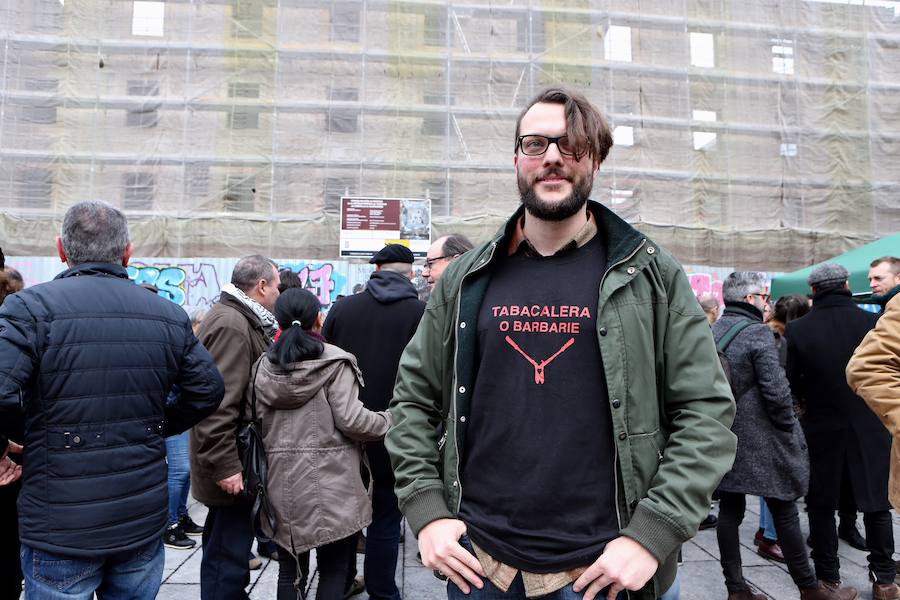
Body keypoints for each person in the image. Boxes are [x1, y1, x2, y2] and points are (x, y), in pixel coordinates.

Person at [385, 86, 738, 600]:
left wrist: (652, 535)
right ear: (517, 159)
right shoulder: (465, 279)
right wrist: (427, 512)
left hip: (606, 570)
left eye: (570, 144)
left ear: (594, 159)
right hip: (482, 566)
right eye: (535, 144)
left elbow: (706, 413)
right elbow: (412, 402)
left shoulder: (652, 275)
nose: (552, 156)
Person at [0, 200, 225, 599]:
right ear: (127, 252)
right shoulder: (167, 314)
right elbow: (207, 390)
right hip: (136, 519)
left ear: (61, 250)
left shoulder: (29, 308)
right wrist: (155, 424)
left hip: (61, 523)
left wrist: (12, 441)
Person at [713, 271, 855, 600]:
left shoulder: (713, 329)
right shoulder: (758, 334)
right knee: (784, 507)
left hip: (723, 433)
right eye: (762, 297)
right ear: (749, 299)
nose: (766, 303)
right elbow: (776, 391)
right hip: (762, 437)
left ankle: (736, 590)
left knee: (730, 511)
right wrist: (789, 425)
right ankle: (810, 589)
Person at [253, 288, 393, 600]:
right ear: (319, 318)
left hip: (280, 482)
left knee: (290, 572)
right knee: (333, 569)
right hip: (334, 485)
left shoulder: (264, 365)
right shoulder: (334, 361)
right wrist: (390, 420)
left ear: (278, 321)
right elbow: (353, 421)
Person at [785, 264, 897, 600]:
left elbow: (791, 382)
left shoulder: (798, 329)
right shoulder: (873, 320)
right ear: (847, 285)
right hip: (871, 423)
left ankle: (830, 580)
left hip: (821, 425)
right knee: (877, 503)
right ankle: (885, 580)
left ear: (814, 291)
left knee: (821, 505)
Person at [323, 243, 426, 600]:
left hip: (344, 430)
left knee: (345, 514)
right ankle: (383, 590)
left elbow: (326, 363)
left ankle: (341, 580)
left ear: (375, 269)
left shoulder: (343, 309)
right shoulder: (421, 313)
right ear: (410, 273)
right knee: (385, 518)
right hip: (397, 429)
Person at [191, 254, 281, 600]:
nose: (277, 293)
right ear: (261, 286)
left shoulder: (239, 317)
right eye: (275, 286)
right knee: (226, 555)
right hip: (233, 463)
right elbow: (218, 403)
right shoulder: (232, 324)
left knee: (227, 546)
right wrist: (227, 466)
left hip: (237, 457)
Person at [163, 309, 209, 550]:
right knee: (180, 470)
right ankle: (169, 525)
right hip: (175, 411)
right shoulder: (178, 342)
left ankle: (180, 516)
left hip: (181, 412)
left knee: (185, 471)